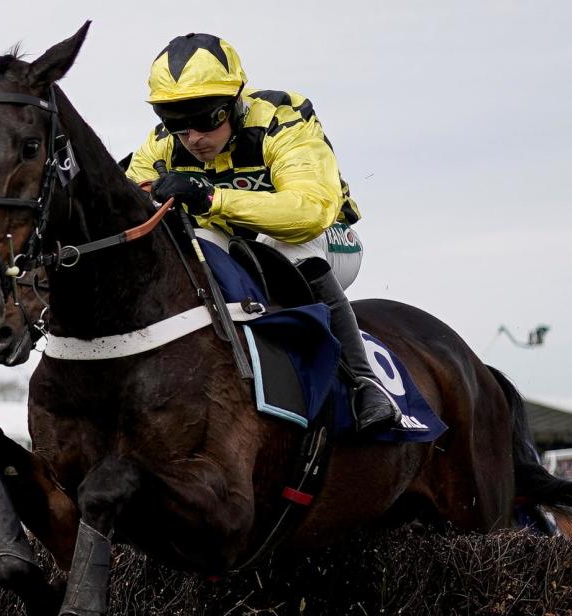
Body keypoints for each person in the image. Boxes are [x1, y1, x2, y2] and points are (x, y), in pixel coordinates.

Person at [125, 33, 400, 432]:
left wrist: (209, 198)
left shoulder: (284, 121)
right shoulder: (161, 145)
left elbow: (309, 212)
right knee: (188, 250)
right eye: (176, 123)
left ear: (235, 101)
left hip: (325, 238)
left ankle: (365, 382)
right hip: (234, 245)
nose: (194, 138)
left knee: (284, 248)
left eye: (206, 118)